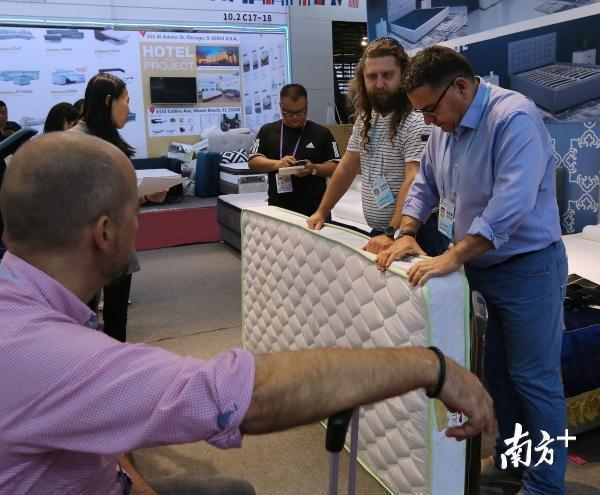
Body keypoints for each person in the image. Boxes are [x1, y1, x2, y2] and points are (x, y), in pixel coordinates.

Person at [0, 132, 493, 495]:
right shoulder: (42, 353)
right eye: (135, 212)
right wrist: (429, 366)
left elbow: (84, 429)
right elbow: (239, 396)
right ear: (105, 233)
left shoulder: (27, 302)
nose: (139, 225)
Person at [376, 46, 567, 495]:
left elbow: (510, 205)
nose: (428, 120)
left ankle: (545, 484)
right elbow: (425, 181)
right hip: (479, 269)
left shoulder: (513, 119)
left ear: (460, 87)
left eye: (430, 109)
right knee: (497, 375)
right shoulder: (443, 126)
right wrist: (407, 230)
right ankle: (513, 464)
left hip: (529, 269)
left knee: (534, 379)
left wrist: (452, 257)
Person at [306, 38, 445, 256]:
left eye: (387, 75)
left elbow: (414, 178)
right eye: (372, 76)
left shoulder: (416, 119)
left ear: (404, 75)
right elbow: (346, 168)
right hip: (383, 232)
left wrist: (392, 232)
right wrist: (322, 212)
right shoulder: (367, 118)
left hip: (416, 232)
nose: (379, 84)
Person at [69, 73, 165, 342]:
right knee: (84, 324)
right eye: (127, 101)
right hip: (86, 250)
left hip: (117, 246)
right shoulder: (74, 143)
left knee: (116, 320)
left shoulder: (108, 138)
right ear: (109, 100)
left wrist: (145, 197)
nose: (129, 109)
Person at [248, 83, 340, 216]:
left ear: (307, 105)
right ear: (281, 107)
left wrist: (314, 168)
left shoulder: (322, 133)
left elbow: (337, 166)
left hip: (315, 211)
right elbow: (253, 161)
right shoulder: (267, 131)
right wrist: (278, 164)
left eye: (300, 112)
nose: (295, 117)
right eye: (289, 113)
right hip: (278, 209)